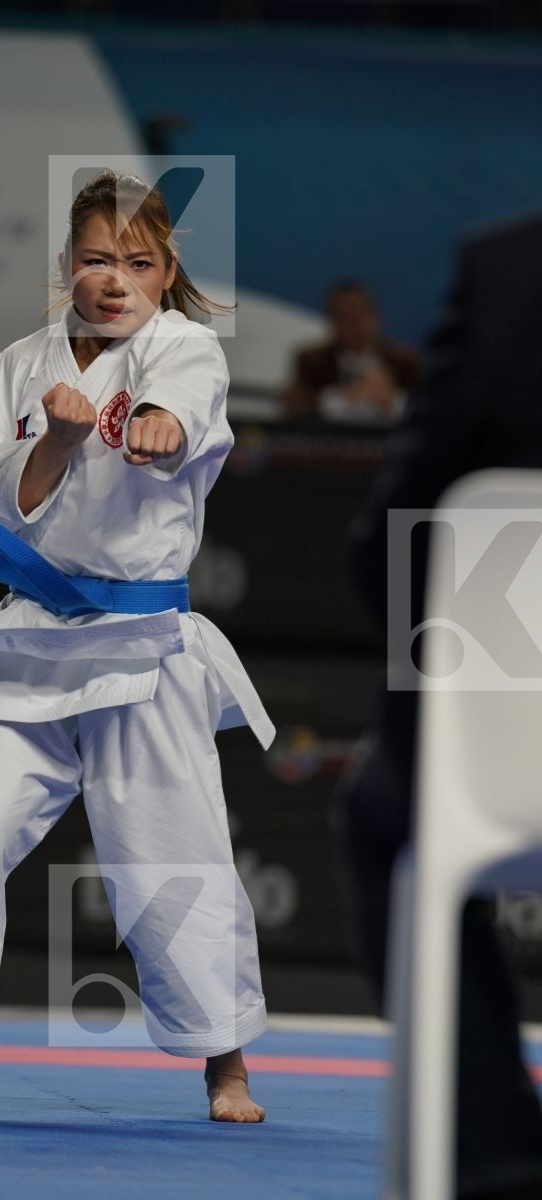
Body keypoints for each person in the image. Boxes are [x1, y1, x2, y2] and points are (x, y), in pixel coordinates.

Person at [0, 170, 275, 1124]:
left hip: (144, 646)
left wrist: (160, 429)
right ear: (66, 267)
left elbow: (180, 417)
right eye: (96, 260)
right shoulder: (16, 368)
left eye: (138, 263)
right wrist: (55, 439)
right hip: (31, 639)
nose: (116, 280)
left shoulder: (184, 349)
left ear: (166, 270)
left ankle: (227, 1068)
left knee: (175, 849)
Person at [340, 213, 542, 1200]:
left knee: (391, 812)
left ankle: (496, 1164)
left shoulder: (515, 270)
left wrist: (448, 706)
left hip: (519, 741)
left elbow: (402, 525)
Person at [282, 279, 420, 423]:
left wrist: (392, 400)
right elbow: (294, 407)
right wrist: (343, 398)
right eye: (345, 317)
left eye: (361, 314)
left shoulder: (404, 362)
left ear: (376, 317)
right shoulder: (311, 362)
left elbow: (423, 410)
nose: (355, 325)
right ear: (333, 322)